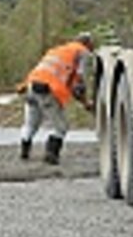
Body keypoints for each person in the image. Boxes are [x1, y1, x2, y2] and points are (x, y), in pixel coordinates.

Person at [18, 32, 95, 165]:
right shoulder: (82, 52)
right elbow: (79, 81)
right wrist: (86, 103)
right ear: (88, 44)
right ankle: (51, 154)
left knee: (31, 124)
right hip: (48, 90)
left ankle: (24, 151)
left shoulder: (58, 50)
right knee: (61, 127)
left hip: (31, 86)